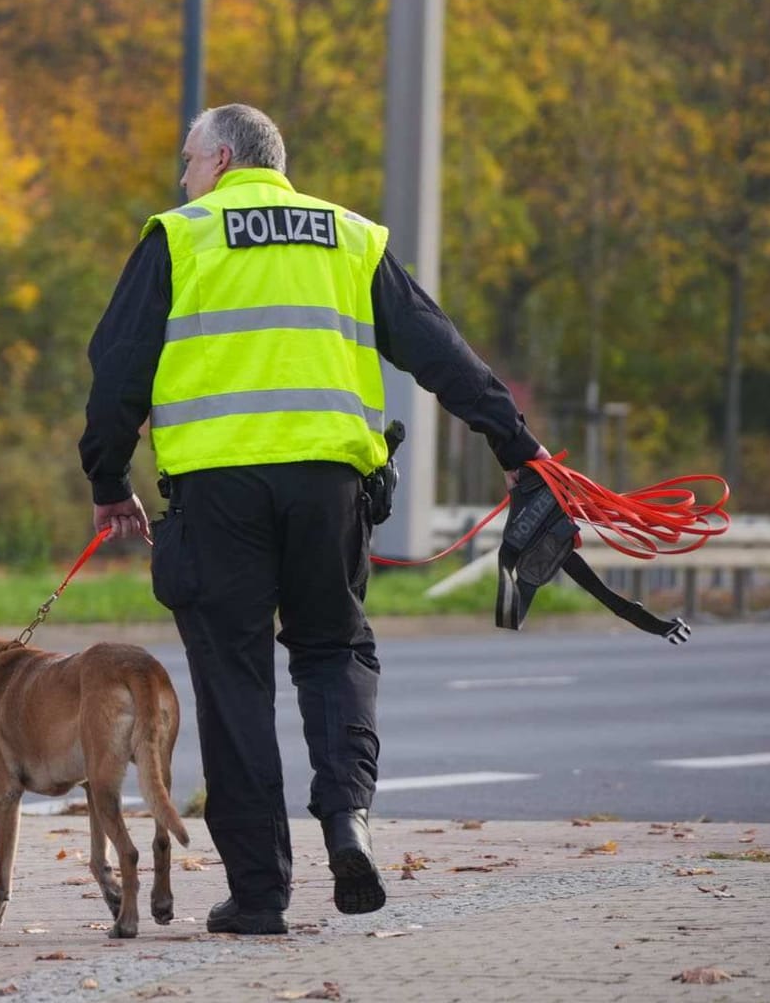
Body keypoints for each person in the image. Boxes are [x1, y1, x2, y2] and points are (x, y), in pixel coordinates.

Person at [77, 104, 546, 935]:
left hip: (219, 498)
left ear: (220, 159)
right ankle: (346, 820)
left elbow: (117, 368)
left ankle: (259, 894)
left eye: (187, 160)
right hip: (331, 490)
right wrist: (514, 444)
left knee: (235, 681)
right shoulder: (349, 237)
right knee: (333, 652)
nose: (182, 177)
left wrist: (109, 477)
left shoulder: (182, 235)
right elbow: (440, 350)